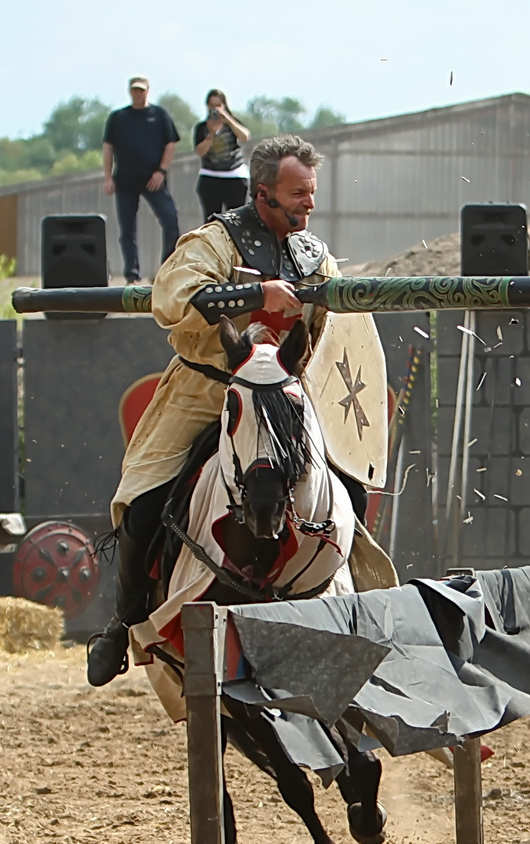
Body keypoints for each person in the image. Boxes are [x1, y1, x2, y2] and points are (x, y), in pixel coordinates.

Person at [86, 133, 395, 686]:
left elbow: (341, 334)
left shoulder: (315, 256)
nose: (309, 204)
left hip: (284, 400)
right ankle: (123, 623)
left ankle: (354, 611)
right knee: (143, 503)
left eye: (312, 192)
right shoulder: (215, 241)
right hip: (208, 390)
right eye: (299, 193)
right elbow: (172, 297)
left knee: (345, 491)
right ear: (263, 194)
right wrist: (257, 296)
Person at [102, 76, 180, 284]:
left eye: (142, 90)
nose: (138, 94)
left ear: (148, 91)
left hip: (153, 177)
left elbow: (171, 143)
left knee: (170, 220)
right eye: (135, 90)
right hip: (125, 180)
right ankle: (132, 274)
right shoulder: (118, 117)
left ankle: (167, 269)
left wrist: (161, 171)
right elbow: (108, 147)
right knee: (127, 230)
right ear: (130, 91)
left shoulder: (159, 115)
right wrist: (108, 177)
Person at [192, 89, 251, 221]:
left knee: (236, 219)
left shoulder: (232, 123)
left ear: (224, 105)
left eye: (218, 105)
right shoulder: (202, 127)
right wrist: (210, 135)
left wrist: (228, 119)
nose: (216, 109)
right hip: (210, 175)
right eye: (212, 106)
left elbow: (245, 136)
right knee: (211, 220)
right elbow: (200, 151)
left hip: (234, 174)